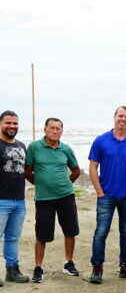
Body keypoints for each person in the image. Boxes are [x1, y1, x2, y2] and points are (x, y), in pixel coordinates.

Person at [88, 106, 126, 284]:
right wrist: (99, 190)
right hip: (106, 196)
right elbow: (92, 166)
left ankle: (125, 267)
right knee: (101, 232)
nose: (123, 119)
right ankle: (97, 269)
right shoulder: (101, 141)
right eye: (120, 116)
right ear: (114, 117)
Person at [25, 118, 81, 283]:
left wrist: (64, 184)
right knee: (42, 234)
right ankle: (38, 267)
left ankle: (68, 263)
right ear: (45, 129)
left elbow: (76, 170)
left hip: (66, 196)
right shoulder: (34, 147)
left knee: (70, 231)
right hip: (44, 199)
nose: (55, 131)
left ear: (61, 131)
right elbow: (27, 171)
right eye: (52, 128)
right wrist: (41, 183)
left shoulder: (66, 149)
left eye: (58, 129)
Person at [0, 110, 29, 285]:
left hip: (19, 200)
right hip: (0, 200)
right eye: (8, 123)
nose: (12, 126)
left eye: (15, 123)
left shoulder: (21, 146)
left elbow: (26, 171)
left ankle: (12, 270)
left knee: (12, 238)